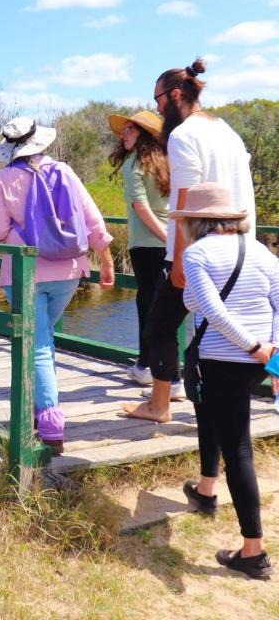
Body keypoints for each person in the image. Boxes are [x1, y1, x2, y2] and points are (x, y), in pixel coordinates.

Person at [123, 59, 256, 423]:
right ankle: (228, 409)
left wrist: (178, 260)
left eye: (158, 100)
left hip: (199, 248)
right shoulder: (226, 130)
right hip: (241, 245)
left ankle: (160, 405)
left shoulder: (183, 135)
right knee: (228, 328)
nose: (157, 108)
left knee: (161, 326)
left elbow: (184, 198)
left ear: (176, 95)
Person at [0, 117, 116, 454]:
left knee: (38, 344)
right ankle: (36, 408)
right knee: (44, 339)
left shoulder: (4, 179)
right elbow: (91, 217)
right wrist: (105, 256)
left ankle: (51, 424)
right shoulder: (64, 171)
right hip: (70, 269)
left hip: (26, 272)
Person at [174, 182, 277, 579]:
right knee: (213, 416)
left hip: (224, 358)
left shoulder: (198, 253)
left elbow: (211, 310)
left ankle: (254, 552)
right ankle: (205, 490)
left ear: (195, 221)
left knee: (239, 451)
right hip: (258, 361)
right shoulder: (261, 251)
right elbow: (278, 302)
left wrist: (251, 345)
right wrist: (270, 350)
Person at [107, 110, 169, 386]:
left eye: (131, 129)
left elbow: (141, 207)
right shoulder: (164, 163)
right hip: (169, 242)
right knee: (167, 306)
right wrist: (173, 239)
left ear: (143, 135)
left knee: (148, 304)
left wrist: (166, 238)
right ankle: (166, 372)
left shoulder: (134, 165)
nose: (124, 134)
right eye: (124, 130)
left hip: (147, 244)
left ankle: (147, 366)